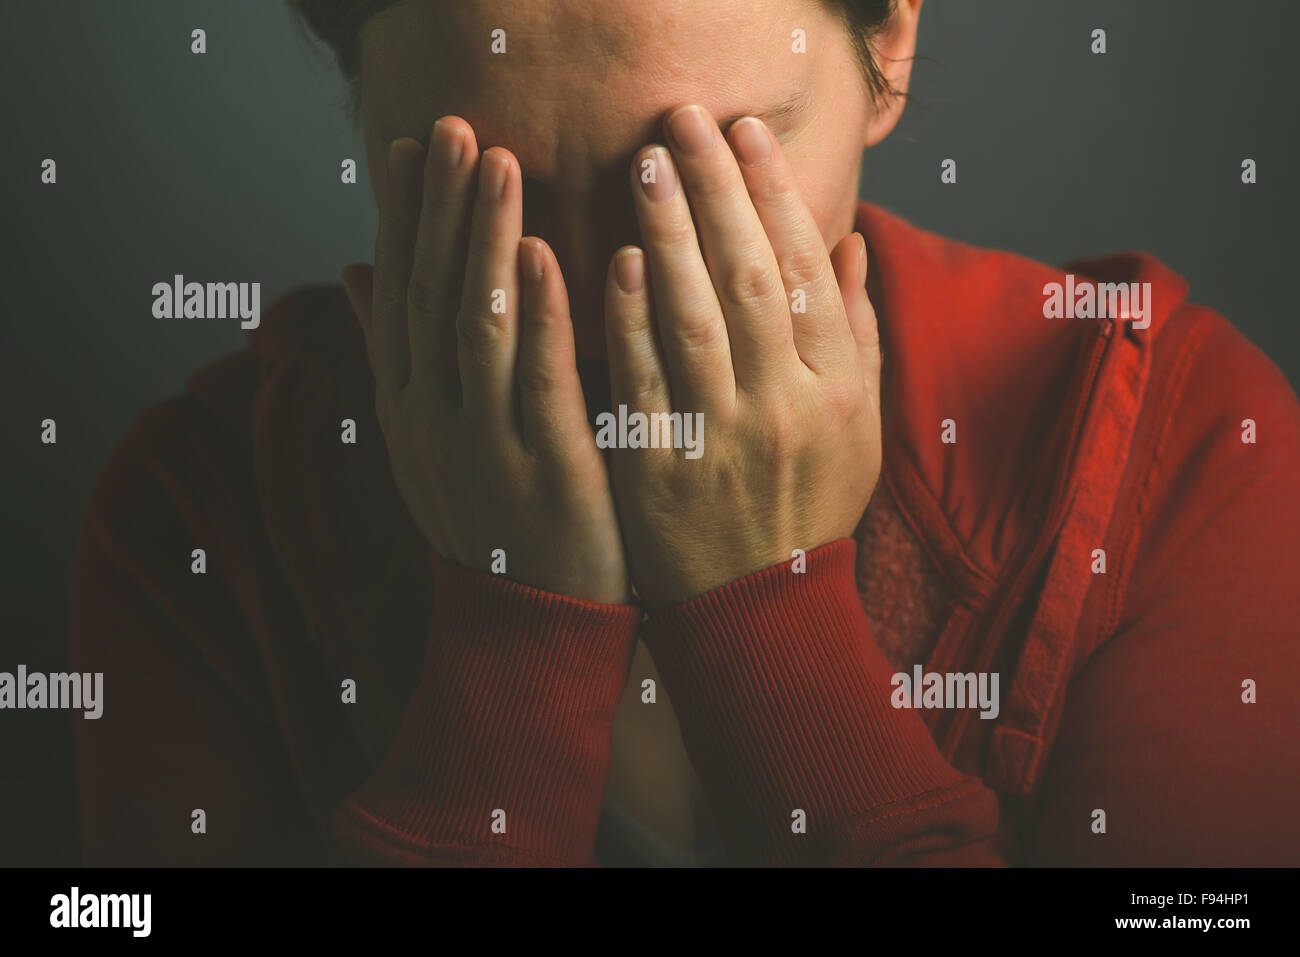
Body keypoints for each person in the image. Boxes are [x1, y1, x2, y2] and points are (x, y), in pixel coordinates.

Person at [69, 0, 1300, 866]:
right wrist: (513, 631)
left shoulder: (1177, 450)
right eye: (491, 192)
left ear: (892, 42)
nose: (612, 305)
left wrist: (770, 610)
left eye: (687, 173)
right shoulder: (199, 521)